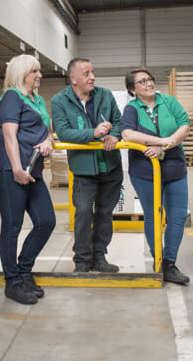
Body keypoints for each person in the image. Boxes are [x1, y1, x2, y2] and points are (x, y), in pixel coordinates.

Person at [0, 54, 55, 305]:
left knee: (46, 221)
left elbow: (46, 130)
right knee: (12, 226)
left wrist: (49, 141)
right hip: (10, 169)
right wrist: (16, 167)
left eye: (39, 70)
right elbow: (9, 135)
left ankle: (23, 270)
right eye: (34, 71)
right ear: (20, 74)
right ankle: (13, 282)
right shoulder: (11, 97)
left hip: (33, 169)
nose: (39, 75)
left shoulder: (36, 100)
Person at [51, 58, 123, 273]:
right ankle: (82, 261)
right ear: (73, 78)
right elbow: (63, 132)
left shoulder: (105, 95)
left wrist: (114, 136)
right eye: (86, 73)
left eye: (92, 72)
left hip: (110, 166)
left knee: (104, 213)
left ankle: (99, 257)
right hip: (83, 170)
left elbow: (118, 122)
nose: (92, 77)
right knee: (83, 213)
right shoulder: (59, 101)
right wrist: (93, 133)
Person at [121, 69, 191, 284]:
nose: (149, 84)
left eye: (150, 79)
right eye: (142, 82)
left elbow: (184, 125)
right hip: (145, 172)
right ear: (133, 89)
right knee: (153, 216)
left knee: (177, 217)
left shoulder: (169, 101)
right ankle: (158, 259)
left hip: (175, 168)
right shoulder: (131, 109)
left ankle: (169, 263)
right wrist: (161, 142)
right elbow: (127, 134)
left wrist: (167, 145)